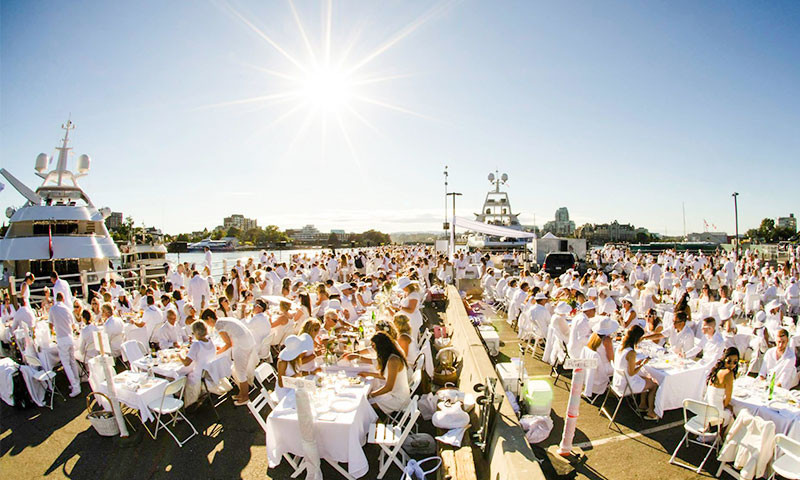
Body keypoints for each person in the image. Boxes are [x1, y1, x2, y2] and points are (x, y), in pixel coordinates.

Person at [201, 309, 257, 405]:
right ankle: (241, 394)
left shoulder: (218, 325)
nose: (208, 325)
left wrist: (217, 353)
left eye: (206, 322)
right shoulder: (224, 319)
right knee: (239, 370)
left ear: (209, 318)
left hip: (242, 346)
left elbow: (228, 344)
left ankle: (245, 398)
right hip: (248, 342)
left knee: (240, 373)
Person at [612, 325, 659, 420]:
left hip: (618, 381)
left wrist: (637, 363)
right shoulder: (631, 352)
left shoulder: (620, 346)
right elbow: (632, 373)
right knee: (654, 385)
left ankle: (642, 404)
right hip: (627, 384)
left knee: (647, 378)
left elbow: (625, 364)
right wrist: (642, 364)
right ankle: (651, 412)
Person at [360, 332, 411, 414]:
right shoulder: (390, 357)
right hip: (394, 394)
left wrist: (371, 395)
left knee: (365, 405)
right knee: (367, 401)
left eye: (373, 345)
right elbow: (385, 376)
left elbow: (388, 387)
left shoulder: (393, 361)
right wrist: (368, 374)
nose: (373, 348)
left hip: (398, 399)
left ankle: (376, 423)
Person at [49, 292, 82, 397]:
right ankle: (76, 383)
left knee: (66, 364)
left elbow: (50, 325)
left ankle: (76, 386)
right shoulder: (68, 309)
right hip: (70, 338)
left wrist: (53, 332)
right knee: (72, 362)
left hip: (62, 339)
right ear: (63, 299)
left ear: (56, 298)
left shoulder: (53, 309)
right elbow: (73, 326)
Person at [179, 321, 216, 405]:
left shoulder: (196, 345)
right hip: (209, 373)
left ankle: (185, 404)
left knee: (180, 375)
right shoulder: (210, 341)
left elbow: (186, 363)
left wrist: (180, 355)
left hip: (199, 376)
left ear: (196, 332)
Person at [705, 347, 739, 426]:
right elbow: (728, 399)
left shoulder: (716, 371)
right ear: (724, 359)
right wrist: (726, 406)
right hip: (717, 415)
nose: (731, 365)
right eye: (729, 361)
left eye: (735, 362)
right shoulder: (728, 374)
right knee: (737, 411)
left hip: (707, 411)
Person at [275, 333, 315, 399]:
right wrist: (297, 375)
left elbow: (298, 371)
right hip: (286, 392)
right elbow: (281, 383)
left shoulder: (295, 358)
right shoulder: (282, 362)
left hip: (294, 386)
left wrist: (310, 372)